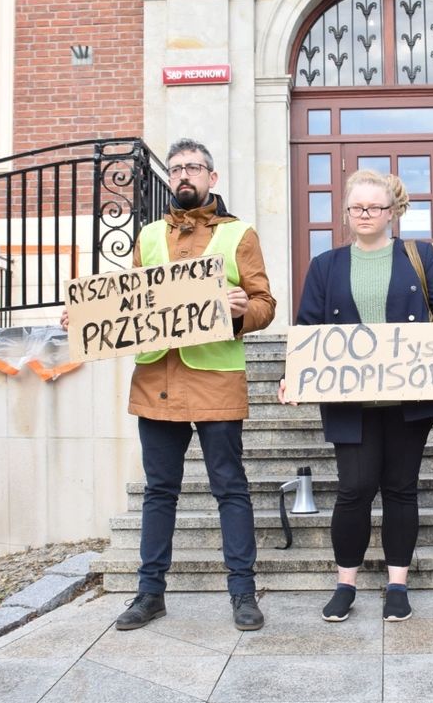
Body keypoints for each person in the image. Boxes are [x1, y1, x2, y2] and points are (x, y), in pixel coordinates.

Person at [63, 139, 276, 632]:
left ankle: (243, 593)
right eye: (177, 168)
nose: (184, 174)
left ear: (212, 178)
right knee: (159, 491)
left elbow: (266, 304)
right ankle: (149, 594)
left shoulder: (239, 234)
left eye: (194, 167)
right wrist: (87, 317)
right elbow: (130, 303)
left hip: (216, 379)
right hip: (156, 379)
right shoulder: (149, 236)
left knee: (230, 488)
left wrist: (246, 311)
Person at [279, 169, 433, 622]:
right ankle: (346, 583)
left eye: (375, 207)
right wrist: (296, 375)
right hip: (350, 402)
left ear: (393, 212)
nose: (364, 215)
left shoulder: (418, 256)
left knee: (401, 490)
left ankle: (397, 584)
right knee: (354, 489)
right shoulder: (325, 265)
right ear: (346, 212)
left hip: (411, 399)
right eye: (356, 207)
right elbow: (309, 329)